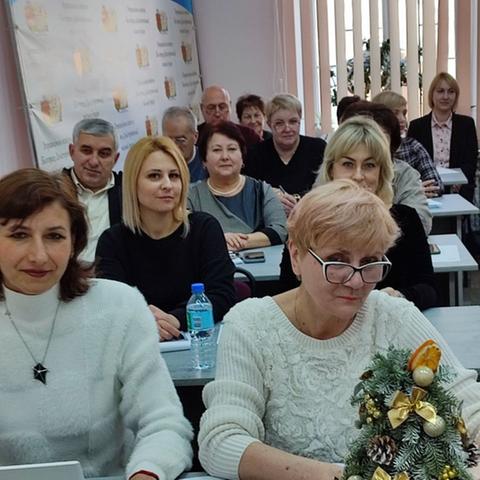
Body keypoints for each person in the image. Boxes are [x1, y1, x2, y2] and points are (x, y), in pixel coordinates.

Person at [198, 179, 480, 480]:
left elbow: (471, 407)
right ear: (296, 256)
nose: (356, 281)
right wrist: (341, 477)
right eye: (336, 261)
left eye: (370, 261)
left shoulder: (393, 316)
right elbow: (221, 443)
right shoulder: (250, 325)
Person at [0, 168, 193, 479]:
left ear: (75, 242)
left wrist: (147, 472)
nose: (39, 255)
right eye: (19, 235)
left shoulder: (118, 306)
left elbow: (164, 423)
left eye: (54, 236)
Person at [281, 116, 436, 310]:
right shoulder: (306, 219)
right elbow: (287, 290)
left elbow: (429, 289)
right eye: (348, 164)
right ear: (331, 169)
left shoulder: (406, 219)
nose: (358, 175)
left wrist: (398, 296)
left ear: (381, 172)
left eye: (369, 165)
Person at [96, 136, 236, 340]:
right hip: (137, 345)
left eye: (174, 175)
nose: (167, 185)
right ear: (133, 183)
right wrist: (147, 323)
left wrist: (176, 320)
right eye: (154, 176)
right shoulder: (112, 242)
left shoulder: (204, 229)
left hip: (199, 344)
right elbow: (112, 308)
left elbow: (222, 295)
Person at [188, 121, 287, 252]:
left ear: (242, 156)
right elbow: (184, 235)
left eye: (232, 149)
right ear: (204, 160)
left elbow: (281, 230)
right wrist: (220, 240)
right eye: (216, 150)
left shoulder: (262, 191)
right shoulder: (191, 195)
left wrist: (237, 242)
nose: (225, 157)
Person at [341, 100, 432, 235]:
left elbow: (421, 222)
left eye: (379, 138)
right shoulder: (335, 168)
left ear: (391, 145)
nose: (371, 143)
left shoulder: (403, 173)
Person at [245, 93, 327, 216]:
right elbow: (248, 194)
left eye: (293, 122)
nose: (287, 129)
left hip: (312, 216)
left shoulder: (318, 148)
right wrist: (269, 197)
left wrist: (300, 203)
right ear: (269, 124)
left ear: (300, 121)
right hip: (269, 219)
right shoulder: (255, 153)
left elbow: (329, 189)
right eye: (279, 123)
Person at [408, 72, 478, 202]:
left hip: (459, 190)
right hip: (426, 191)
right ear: (432, 94)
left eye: (451, 92)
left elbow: (470, 162)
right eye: (440, 91)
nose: (446, 96)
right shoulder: (416, 126)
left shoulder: (467, 124)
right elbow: (411, 165)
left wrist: (458, 181)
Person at [64, 118, 122, 263]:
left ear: (115, 159)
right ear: (72, 152)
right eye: (86, 151)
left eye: (104, 154)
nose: (94, 161)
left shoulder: (129, 191)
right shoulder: (53, 191)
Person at [372, 90, 444, 198]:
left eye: (404, 113)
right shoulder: (368, 148)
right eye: (395, 113)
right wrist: (410, 191)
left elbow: (436, 185)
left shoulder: (412, 147)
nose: (402, 119)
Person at [162, 106, 206, 183]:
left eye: (180, 140)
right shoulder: (158, 163)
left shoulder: (207, 162)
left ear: (195, 137)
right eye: (168, 140)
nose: (174, 146)